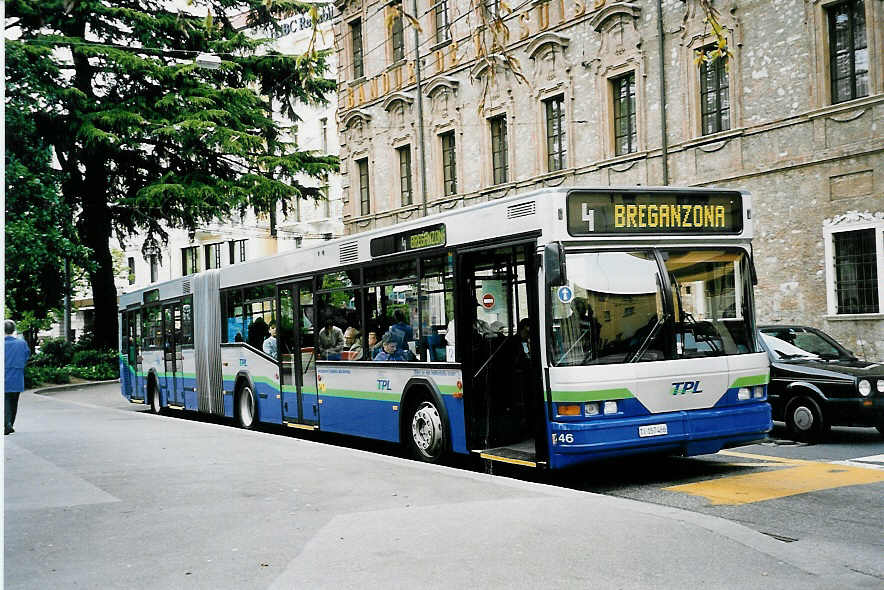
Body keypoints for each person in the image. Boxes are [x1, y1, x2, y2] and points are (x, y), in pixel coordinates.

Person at [5, 320, 31, 435]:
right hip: (17, 376)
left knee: (5, 400)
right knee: (14, 401)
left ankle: (6, 424)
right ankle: (10, 423)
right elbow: (26, 357)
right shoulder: (22, 343)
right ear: (14, 329)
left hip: (4, 376)